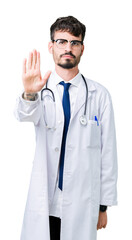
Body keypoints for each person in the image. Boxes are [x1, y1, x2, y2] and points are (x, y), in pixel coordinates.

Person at [14, 16, 118, 240]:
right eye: (61, 41)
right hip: (45, 201)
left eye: (74, 42)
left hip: (82, 202)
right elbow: (24, 114)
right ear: (51, 46)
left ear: (82, 49)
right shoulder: (40, 91)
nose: (68, 48)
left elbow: (107, 153)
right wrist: (30, 92)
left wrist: (103, 206)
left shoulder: (99, 96)